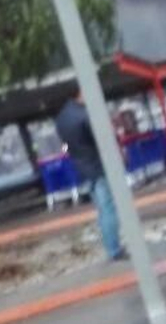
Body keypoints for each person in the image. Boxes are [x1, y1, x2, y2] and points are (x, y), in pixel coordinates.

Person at [54, 86, 126, 261]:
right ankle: (114, 249)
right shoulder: (86, 115)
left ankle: (111, 245)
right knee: (108, 208)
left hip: (82, 168)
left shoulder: (62, 118)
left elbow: (66, 145)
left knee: (102, 209)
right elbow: (102, 140)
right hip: (97, 165)